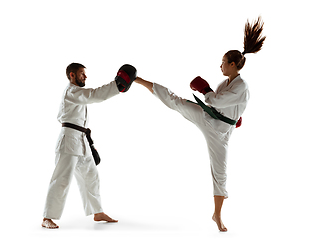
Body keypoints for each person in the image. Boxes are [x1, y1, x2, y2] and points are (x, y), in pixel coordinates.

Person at [134, 17, 266, 232]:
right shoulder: (225, 83)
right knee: (175, 101)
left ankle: (217, 215)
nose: (220, 65)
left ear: (232, 64)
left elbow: (216, 100)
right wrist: (230, 111)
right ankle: (138, 80)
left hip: (222, 133)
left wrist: (206, 91)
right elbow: (218, 105)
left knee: (220, 172)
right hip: (209, 120)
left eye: (223, 62)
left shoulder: (242, 86)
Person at [42, 63, 128, 229]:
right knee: (61, 179)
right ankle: (47, 217)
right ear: (72, 75)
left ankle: (97, 211)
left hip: (81, 139)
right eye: (82, 73)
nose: (85, 76)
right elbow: (95, 95)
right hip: (69, 140)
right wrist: (116, 85)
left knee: (91, 175)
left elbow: (91, 96)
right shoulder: (71, 92)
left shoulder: (77, 93)